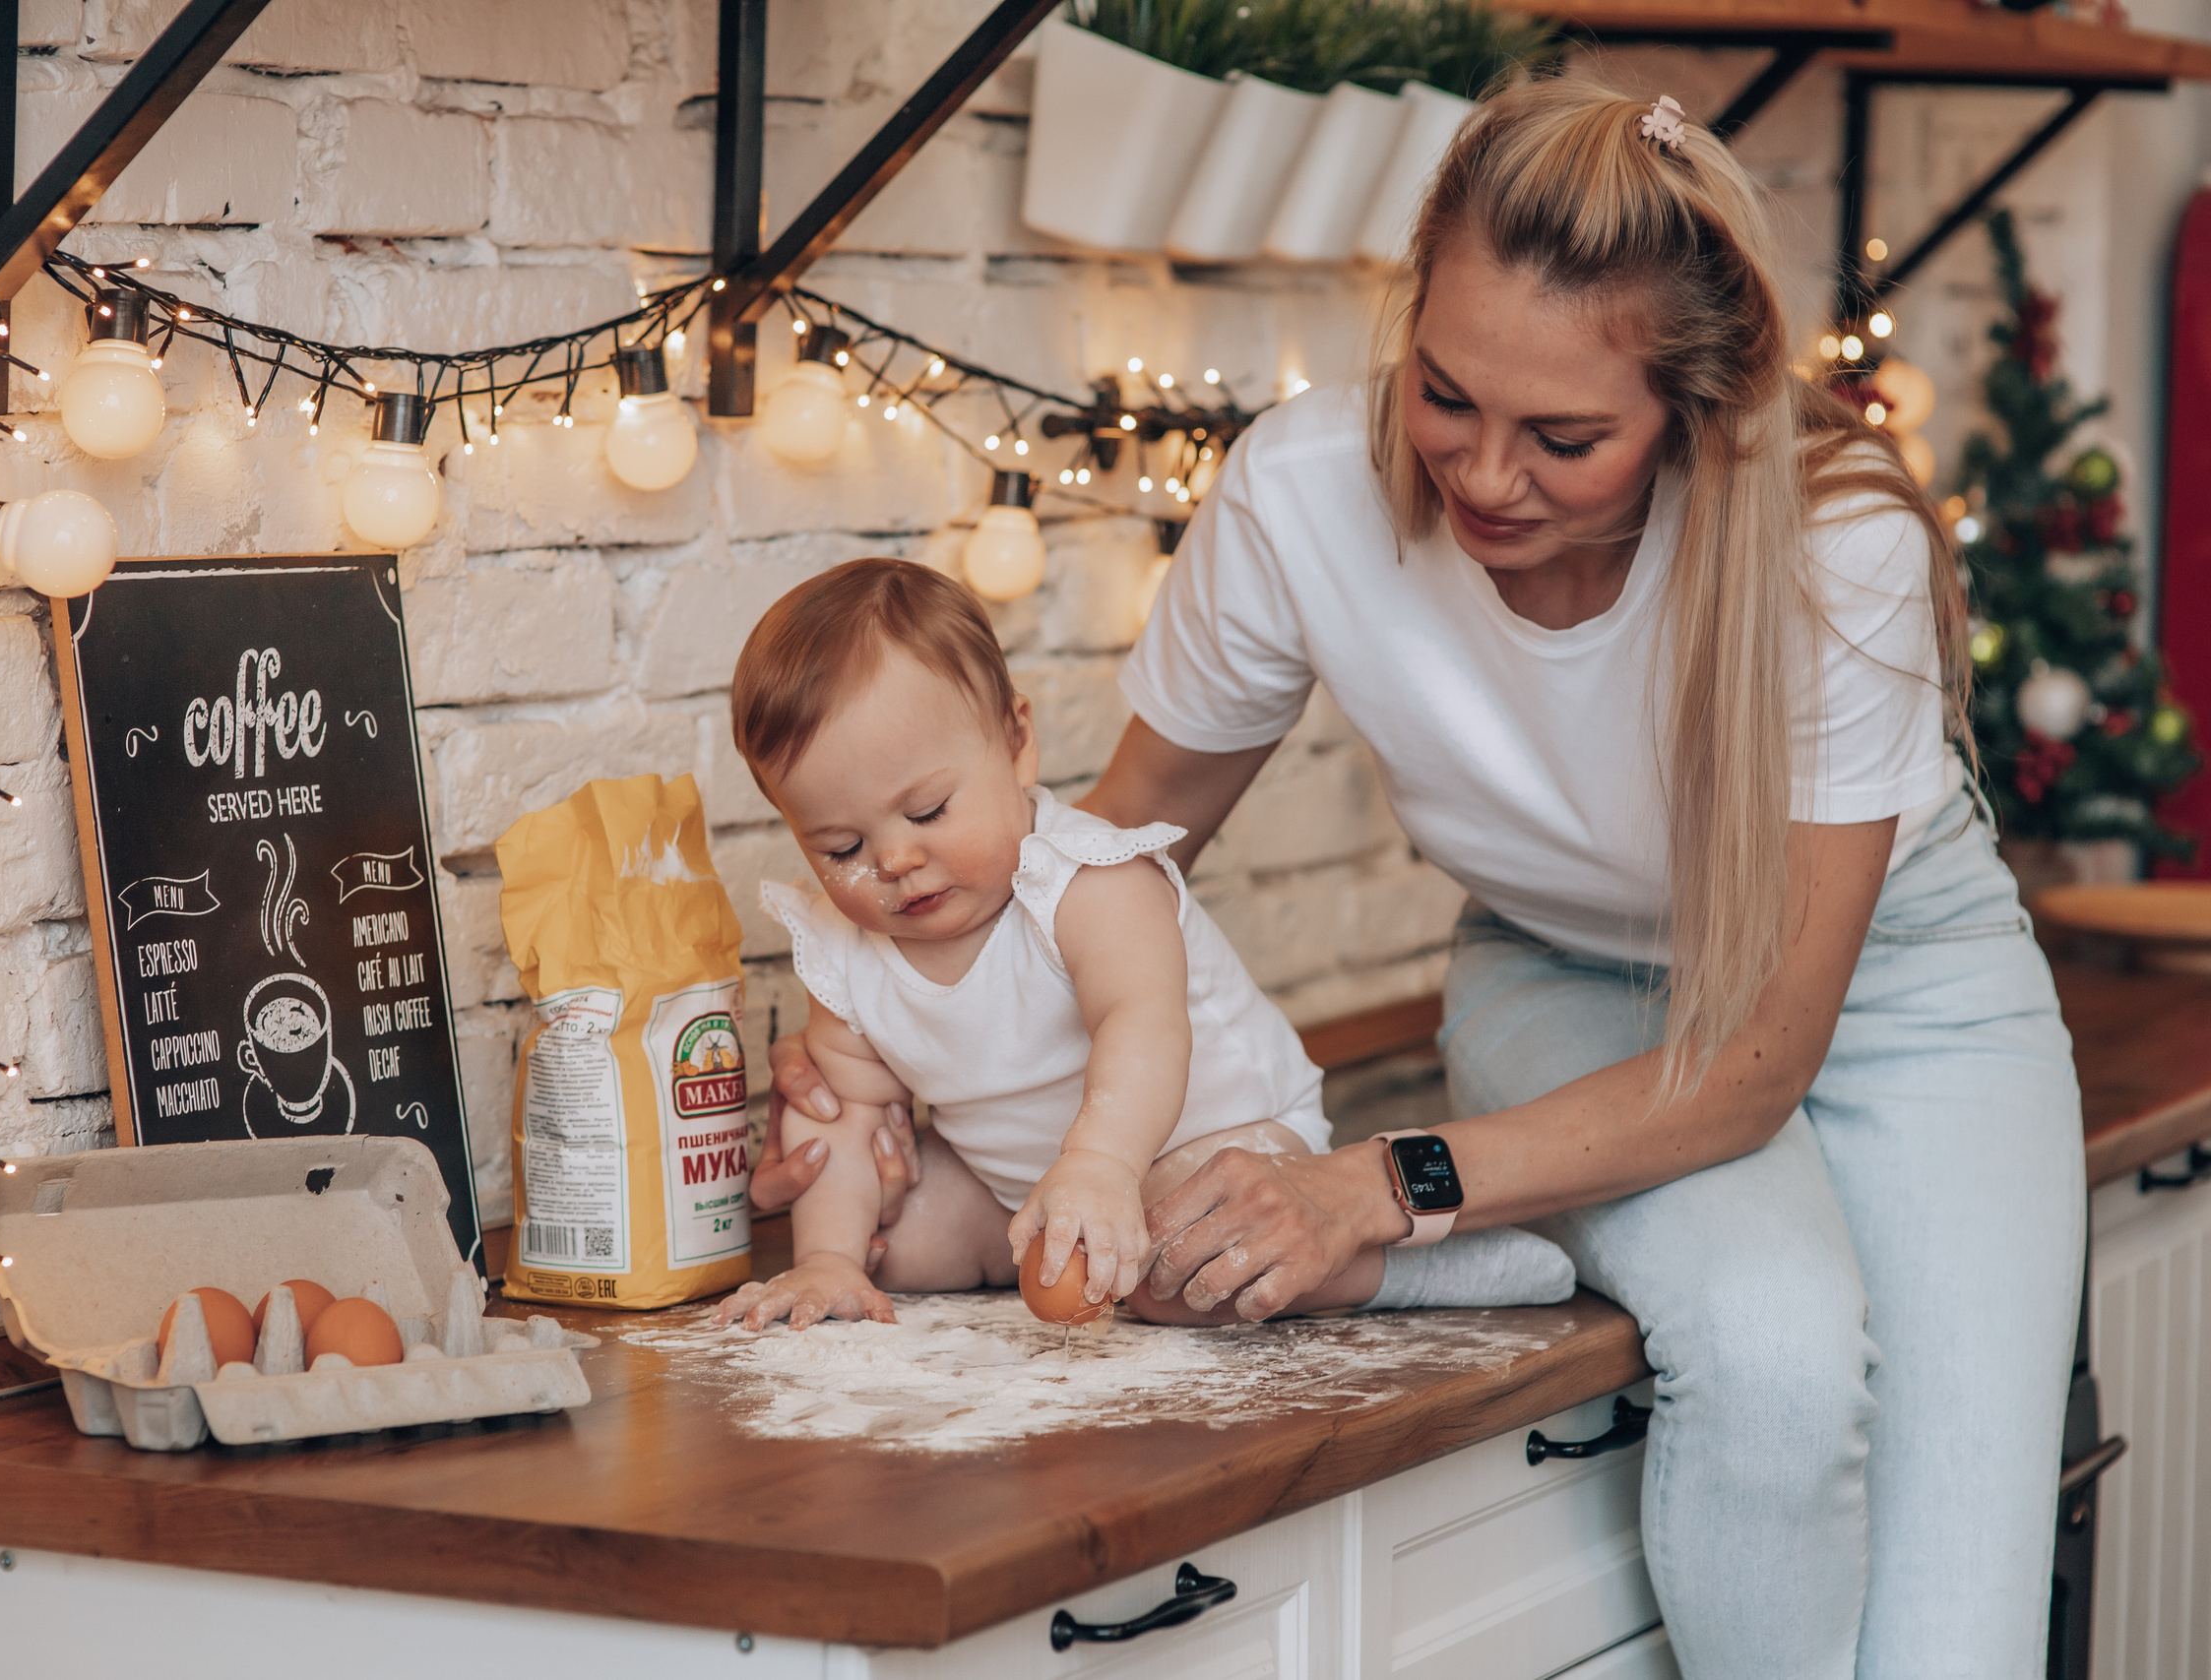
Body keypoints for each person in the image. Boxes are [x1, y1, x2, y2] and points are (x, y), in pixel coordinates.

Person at [754, 79, 2084, 1679]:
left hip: (1896, 1013)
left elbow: (1754, 1061)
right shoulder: (1306, 494)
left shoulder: (1834, 548)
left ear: (1697, 405)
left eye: (1567, 436)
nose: (1488, 476)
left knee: (1962, 1644)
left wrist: (1369, 1184)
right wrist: (903, 1052)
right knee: (1777, 1353)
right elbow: (1105, 851)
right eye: (1449, 394)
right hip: (1568, 980)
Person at [719, 558, 1569, 1331]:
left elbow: (1143, 1023)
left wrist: (1099, 1163)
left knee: (1176, 1270)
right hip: (1026, 1180)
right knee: (888, 1238)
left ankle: (1403, 1270)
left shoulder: (1085, 879)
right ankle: (1006, 1248)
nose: (896, 862)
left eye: (930, 811)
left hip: (1220, 1144)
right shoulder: (844, 948)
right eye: (841, 849)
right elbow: (849, 1114)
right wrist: (828, 1255)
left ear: (1017, 742)